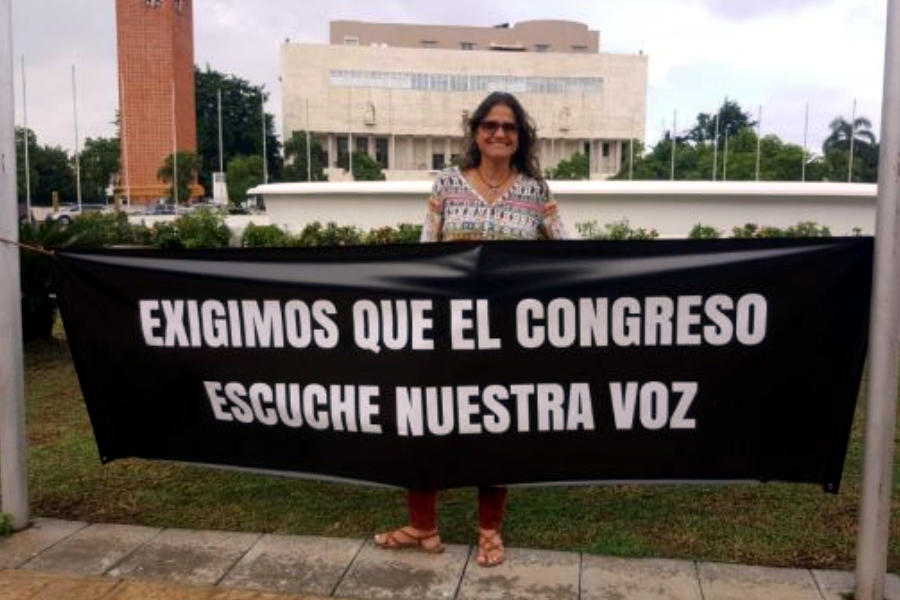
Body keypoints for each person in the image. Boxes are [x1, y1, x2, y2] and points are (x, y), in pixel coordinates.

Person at [374, 91, 567, 567]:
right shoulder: (445, 184)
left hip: (507, 335)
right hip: (446, 330)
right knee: (424, 422)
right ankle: (422, 525)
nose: (500, 133)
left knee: (496, 426)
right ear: (476, 131)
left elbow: (569, 251)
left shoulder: (535, 191)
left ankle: (490, 530)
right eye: (490, 125)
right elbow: (426, 252)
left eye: (510, 127)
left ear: (521, 137)